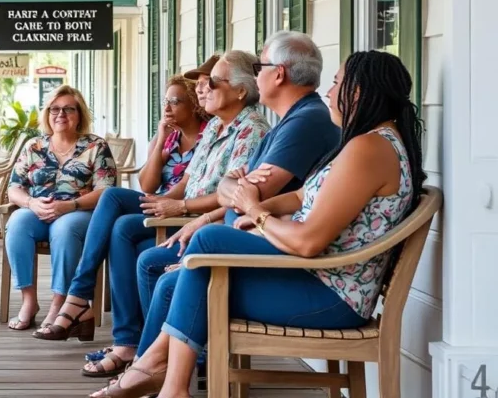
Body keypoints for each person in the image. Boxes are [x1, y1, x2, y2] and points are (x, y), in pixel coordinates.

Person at [89, 50, 426, 398]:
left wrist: (255, 211)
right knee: (182, 273)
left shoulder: (369, 148)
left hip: (330, 294)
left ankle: (159, 375)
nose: (328, 91)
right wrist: (254, 208)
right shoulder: (368, 143)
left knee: (205, 245)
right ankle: (160, 375)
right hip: (314, 277)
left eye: (337, 83)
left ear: (357, 92)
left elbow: (310, 242)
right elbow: (299, 198)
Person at [60, 77, 207, 375]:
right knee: (120, 223)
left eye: (174, 101)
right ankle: (124, 337)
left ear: (195, 106)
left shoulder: (208, 137)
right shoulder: (170, 137)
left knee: (115, 202)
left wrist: (164, 202)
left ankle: (83, 297)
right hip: (157, 207)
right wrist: (159, 138)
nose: (166, 107)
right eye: (165, 101)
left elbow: (187, 191)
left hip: (181, 213)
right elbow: (147, 182)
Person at [2, 85, 116, 340]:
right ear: (47, 113)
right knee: (18, 223)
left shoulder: (95, 146)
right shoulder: (34, 146)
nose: (60, 114)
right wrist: (32, 204)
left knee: (64, 229)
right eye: (55, 109)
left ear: (80, 114)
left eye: (68, 109)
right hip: (39, 210)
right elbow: (14, 189)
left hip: (80, 211)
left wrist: (70, 205)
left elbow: (106, 191)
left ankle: (60, 304)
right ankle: (29, 301)